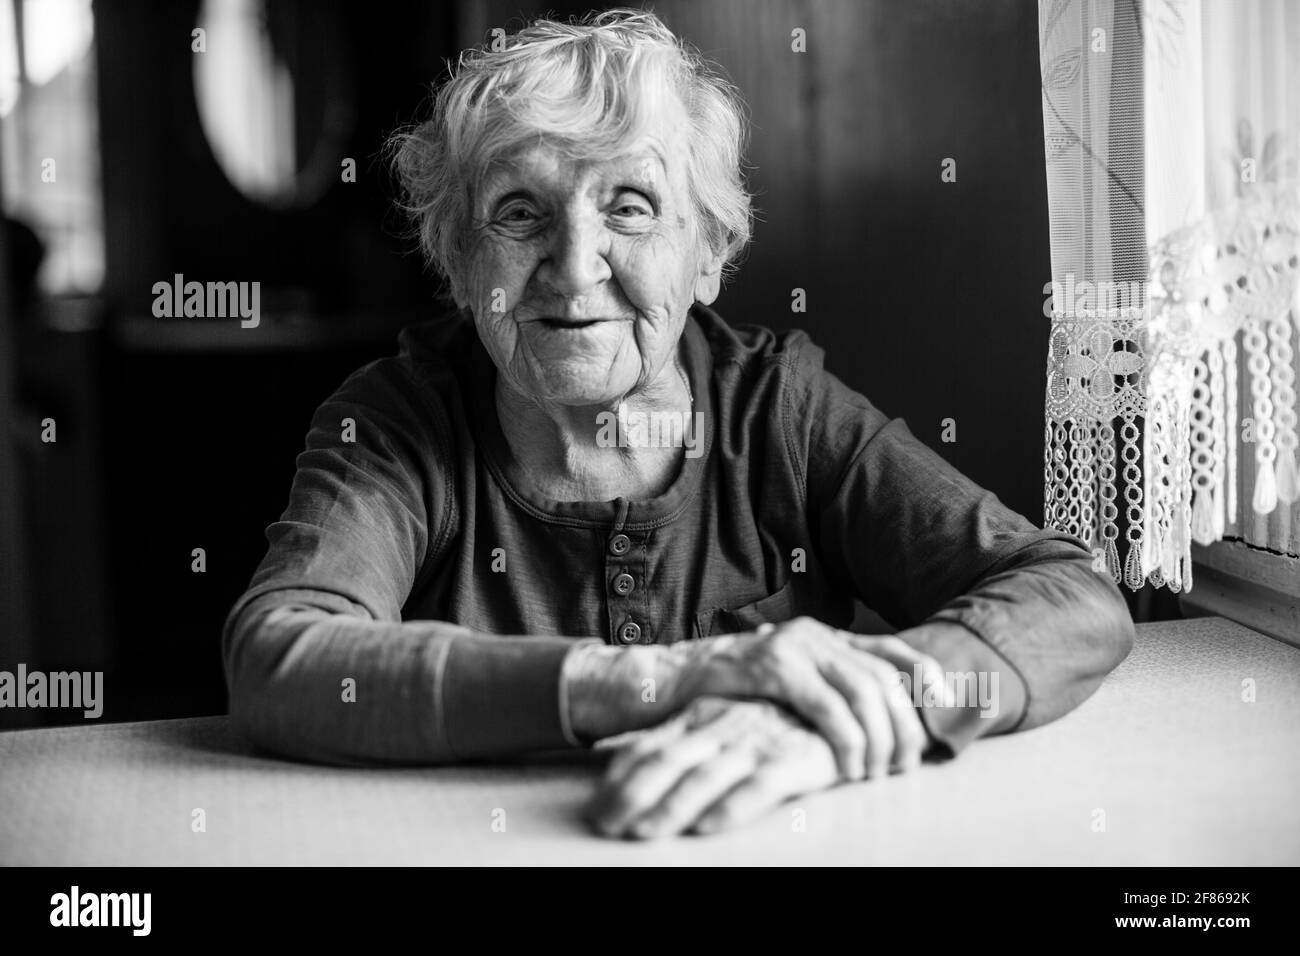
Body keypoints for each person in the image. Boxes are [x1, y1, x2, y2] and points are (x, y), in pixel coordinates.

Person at [223, 9, 1133, 839]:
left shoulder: (779, 411)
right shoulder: (394, 425)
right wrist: (654, 681)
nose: (576, 268)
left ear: (710, 254)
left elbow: (1069, 599)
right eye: (519, 213)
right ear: (460, 264)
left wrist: (838, 716)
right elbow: (280, 656)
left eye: (630, 207)